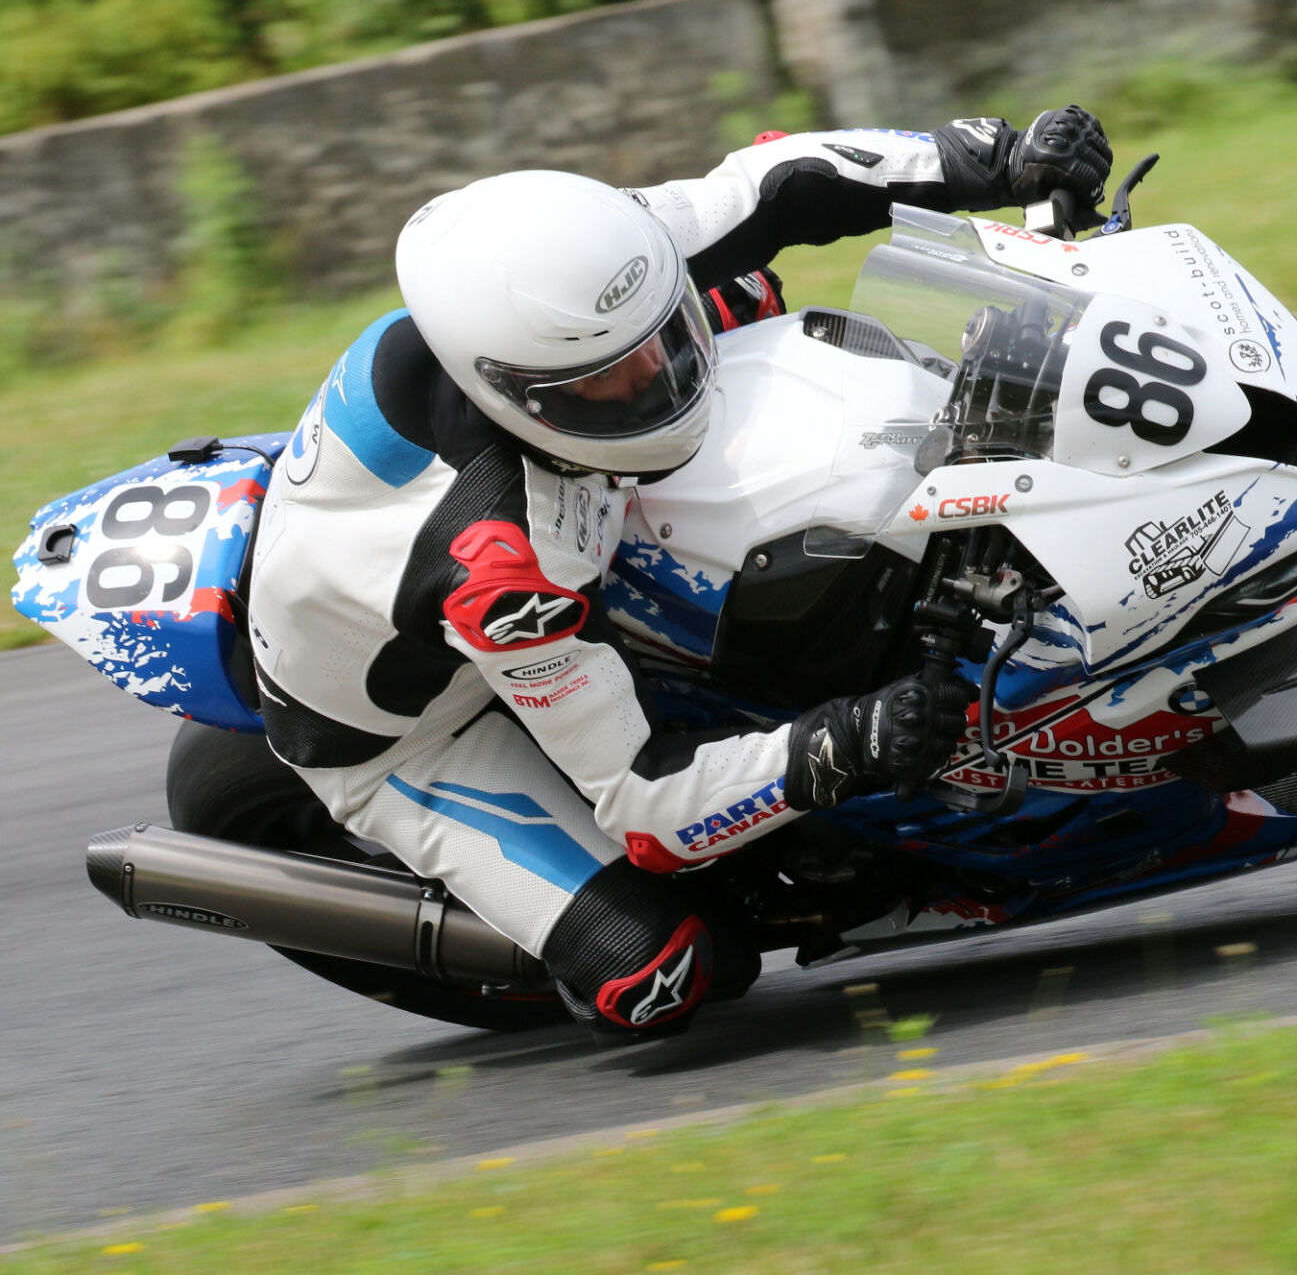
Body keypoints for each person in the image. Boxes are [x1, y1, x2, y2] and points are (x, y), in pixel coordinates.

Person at [246, 108, 1113, 1036]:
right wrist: (847, 741)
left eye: (662, 342)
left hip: (502, 537)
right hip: (416, 739)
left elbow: (776, 183)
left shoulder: (584, 283)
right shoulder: (502, 565)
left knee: (739, 276)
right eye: (608, 386)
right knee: (670, 971)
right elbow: (646, 801)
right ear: (513, 391)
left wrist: (992, 161)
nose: (656, 379)